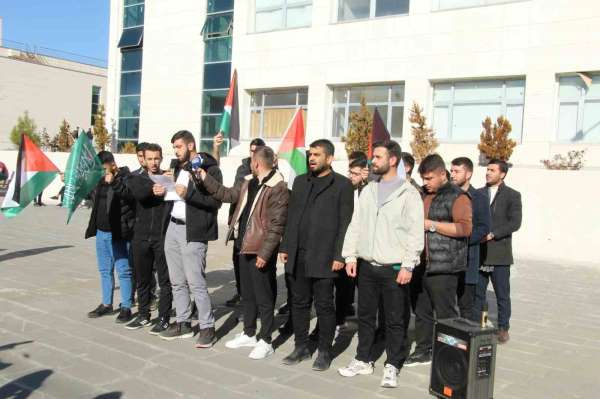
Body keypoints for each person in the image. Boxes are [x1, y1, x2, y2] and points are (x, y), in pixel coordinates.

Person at [338, 141, 424, 388]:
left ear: (393, 160)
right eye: (372, 157)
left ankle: (393, 364)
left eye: (377, 157)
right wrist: (351, 256)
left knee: (395, 319)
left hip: (394, 268)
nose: (372, 161)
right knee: (365, 316)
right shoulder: (369, 190)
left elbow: (415, 233)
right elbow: (356, 224)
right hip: (367, 266)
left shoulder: (408, 193)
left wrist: (408, 265)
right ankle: (363, 359)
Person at [199, 145, 289, 359]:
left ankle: (266, 340)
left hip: (259, 249)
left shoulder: (278, 187)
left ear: (256, 162)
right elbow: (227, 194)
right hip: (243, 245)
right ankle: (249, 333)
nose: (250, 163)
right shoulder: (249, 181)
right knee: (247, 294)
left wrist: (265, 254)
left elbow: (277, 225)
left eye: (251, 159)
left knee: (264, 297)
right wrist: (204, 177)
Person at [279, 139, 354, 371]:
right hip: (298, 254)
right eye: (311, 154)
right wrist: (285, 247)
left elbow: (346, 223)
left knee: (324, 306)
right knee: (299, 303)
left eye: (317, 155)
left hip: (325, 255)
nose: (312, 158)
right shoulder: (300, 182)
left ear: (329, 158)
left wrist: (340, 256)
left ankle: (324, 350)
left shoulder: (342, 185)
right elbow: (292, 218)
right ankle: (301, 346)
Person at [405, 154, 472, 366]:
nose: (426, 183)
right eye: (423, 179)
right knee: (421, 311)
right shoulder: (420, 194)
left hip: (444, 267)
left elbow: (465, 228)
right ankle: (423, 349)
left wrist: (431, 224)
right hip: (419, 264)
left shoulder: (457, 196)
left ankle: (452, 355)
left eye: (429, 178)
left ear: (443, 174)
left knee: (446, 315)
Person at [158, 130, 222, 349]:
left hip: (193, 230)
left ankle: (207, 327)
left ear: (191, 145)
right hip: (173, 227)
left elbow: (215, 202)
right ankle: (183, 322)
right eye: (174, 147)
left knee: (196, 282)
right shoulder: (177, 166)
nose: (175, 151)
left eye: (179, 147)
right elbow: (174, 193)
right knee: (176, 280)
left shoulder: (209, 169)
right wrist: (163, 188)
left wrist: (188, 194)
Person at [112, 143, 173, 335]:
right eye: (150, 159)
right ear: (143, 160)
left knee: (165, 281)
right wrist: (155, 187)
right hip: (140, 236)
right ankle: (143, 314)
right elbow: (138, 191)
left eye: (157, 158)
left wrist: (168, 183)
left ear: (161, 158)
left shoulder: (169, 177)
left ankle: (164, 318)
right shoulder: (136, 178)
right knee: (142, 279)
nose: (154, 162)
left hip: (162, 237)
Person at [214, 136, 267, 308]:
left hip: (259, 225)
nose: (253, 154)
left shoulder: (271, 169)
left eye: (256, 151)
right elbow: (236, 192)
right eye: (251, 151)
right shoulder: (243, 168)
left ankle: (261, 300)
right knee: (238, 259)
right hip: (241, 220)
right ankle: (242, 292)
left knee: (259, 264)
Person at [85, 151, 135, 323]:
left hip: (118, 233)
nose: (102, 173)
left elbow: (128, 197)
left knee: (123, 270)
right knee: (105, 270)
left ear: (113, 164)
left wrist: (113, 182)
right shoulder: (99, 180)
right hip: (101, 232)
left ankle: (126, 306)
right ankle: (106, 304)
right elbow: (90, 197)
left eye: (104, 169)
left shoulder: (126, 178)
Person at [475, 159, 522, 344]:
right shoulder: (478, 194)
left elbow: (515, 222)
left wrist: (493, 234)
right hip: (480, 252)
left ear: (502, 174)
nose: (488, 173)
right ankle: (479, 324)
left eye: (492, 170)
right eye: (487, 169)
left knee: (502, 294)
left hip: (500, 254)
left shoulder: (512, 195)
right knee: (477, 294)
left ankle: (503, 327)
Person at [450, 157, 490, 321]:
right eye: (451, 171)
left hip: (468, 260)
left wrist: (463, 239)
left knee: (466, 307)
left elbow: (483, 227)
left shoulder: (479, 198)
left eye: (456, 171)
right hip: (446, 259)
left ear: (468, 174)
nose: (452, 175)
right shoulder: (447, 194)